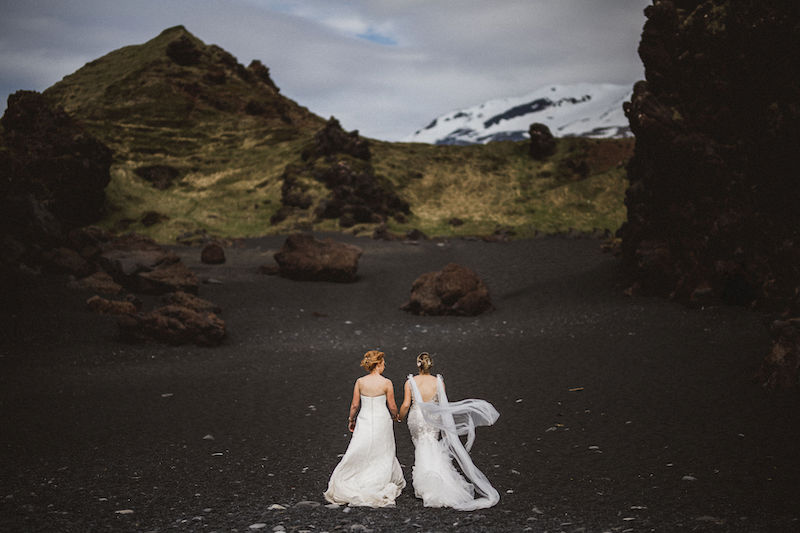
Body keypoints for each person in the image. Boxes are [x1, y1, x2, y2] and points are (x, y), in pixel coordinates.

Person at [397, 352, 500, 510]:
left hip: (417, 417)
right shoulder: (438, 381)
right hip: (433, 418)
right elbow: (443, 404)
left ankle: (425, 484)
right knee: (431, 443)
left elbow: (405, 405)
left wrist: (398, 417)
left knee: (421, 445)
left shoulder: (411, 381)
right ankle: (436, 480)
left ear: (418, 364)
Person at [324, 350, 406, 507]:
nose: (384, 366)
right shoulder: (386, 383)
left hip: (365, 419)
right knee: (383, 449)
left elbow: (355, 405)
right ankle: (379, 478)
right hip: (382, 419)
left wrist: (351, 419)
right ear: (379, 364)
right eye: (383, 363)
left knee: (361, 447)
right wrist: (396, 416)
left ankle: (356, 476)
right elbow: (392, 405)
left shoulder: (360, 382)